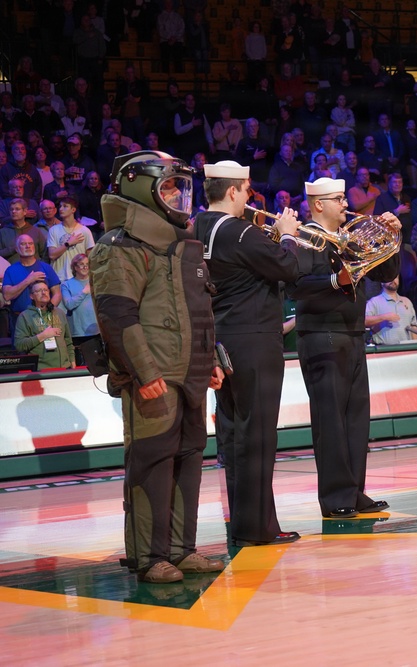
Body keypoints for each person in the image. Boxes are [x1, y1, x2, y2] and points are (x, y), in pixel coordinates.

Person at [89, 150, 225, 584]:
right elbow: (118, 317)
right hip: (155, 377)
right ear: (136, 186)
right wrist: (145, 374)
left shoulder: (182, 243)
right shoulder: (119, 245)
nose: (176, 196)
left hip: (190, 374)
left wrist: (212, 362)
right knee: (151, 463)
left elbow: (202, 308)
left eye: (179, 188)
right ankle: (149, 557)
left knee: (188, 460)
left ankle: (182, 551)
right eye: (167, 187)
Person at [193, 160, 302, 547]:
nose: (250, 195)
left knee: (235, 435)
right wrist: (285, 235)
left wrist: (269, 238)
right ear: (234, 190)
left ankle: (242, 522)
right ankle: (258, 527)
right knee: (258, 436)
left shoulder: (199, 226)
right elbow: (288, 266)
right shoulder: (239, 232)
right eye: (247, 188)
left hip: (223, 339)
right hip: (255, 340)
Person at [289, 177, 400, 518]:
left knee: (355, 419)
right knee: (331, 421)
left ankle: (354, 491)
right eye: (338, 199)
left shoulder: (347, 237)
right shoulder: (305, 237)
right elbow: (296, 285)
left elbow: (386, 272)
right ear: (319, 204)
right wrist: (338, 280)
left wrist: (395, 235)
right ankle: (335, 496)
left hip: (351, 333)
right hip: (321, 335)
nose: (345, 204)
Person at [13, 281, 74, 369]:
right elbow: (19, 345)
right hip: (41, 370)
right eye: (38, 291)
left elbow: (68, 340)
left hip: (64, 367)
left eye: (45, 290)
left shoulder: (60, 313)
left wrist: (72, 361)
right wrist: (43, 335)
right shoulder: (25, 316)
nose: (43, 292)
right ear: (31, 296)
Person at [59, 253, 99, 366]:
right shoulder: (67, 285)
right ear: (75, 267)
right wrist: (84, 292)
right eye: (81, 264)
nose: (85, 267)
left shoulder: (95, 282)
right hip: (78, 333)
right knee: (82, 365)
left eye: (87, 264)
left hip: (96, 331)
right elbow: (69, 305)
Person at [365, 277, 417, 344]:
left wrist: (415, 346)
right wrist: (384, 317)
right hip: (385, 350)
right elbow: (365, 321)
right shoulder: (374, 302)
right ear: (382, 283)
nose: (393, 280)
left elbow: (413, 326)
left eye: (396, 278)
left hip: (406, 349)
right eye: (390, 277)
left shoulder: (407, 301)